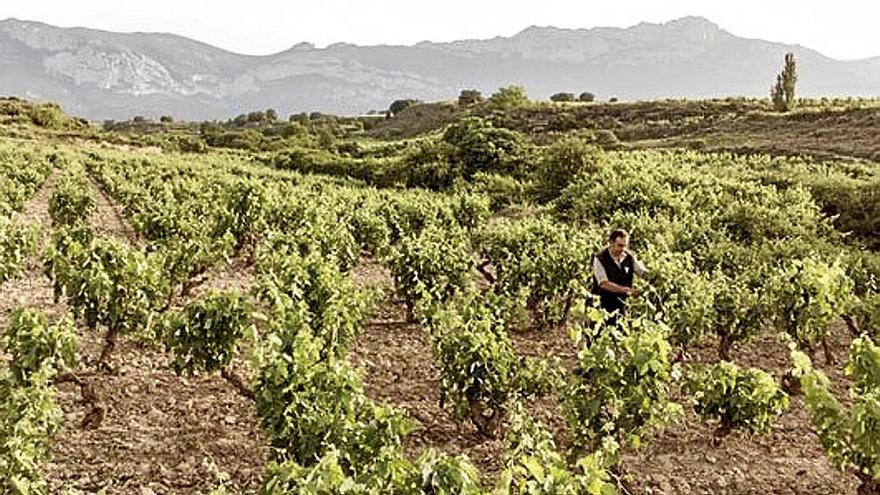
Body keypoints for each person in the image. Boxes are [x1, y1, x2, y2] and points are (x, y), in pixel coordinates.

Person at [591, 229, 648, 323]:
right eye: (620, 245)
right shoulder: (600, 258)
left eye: (625, 246)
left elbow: (642, 272)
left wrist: (656, 276)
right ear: (611, 243)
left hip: (620, 305)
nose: (623, 249)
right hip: (601, 306)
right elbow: (603, 283)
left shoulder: (629, 257)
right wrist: (627, 290)